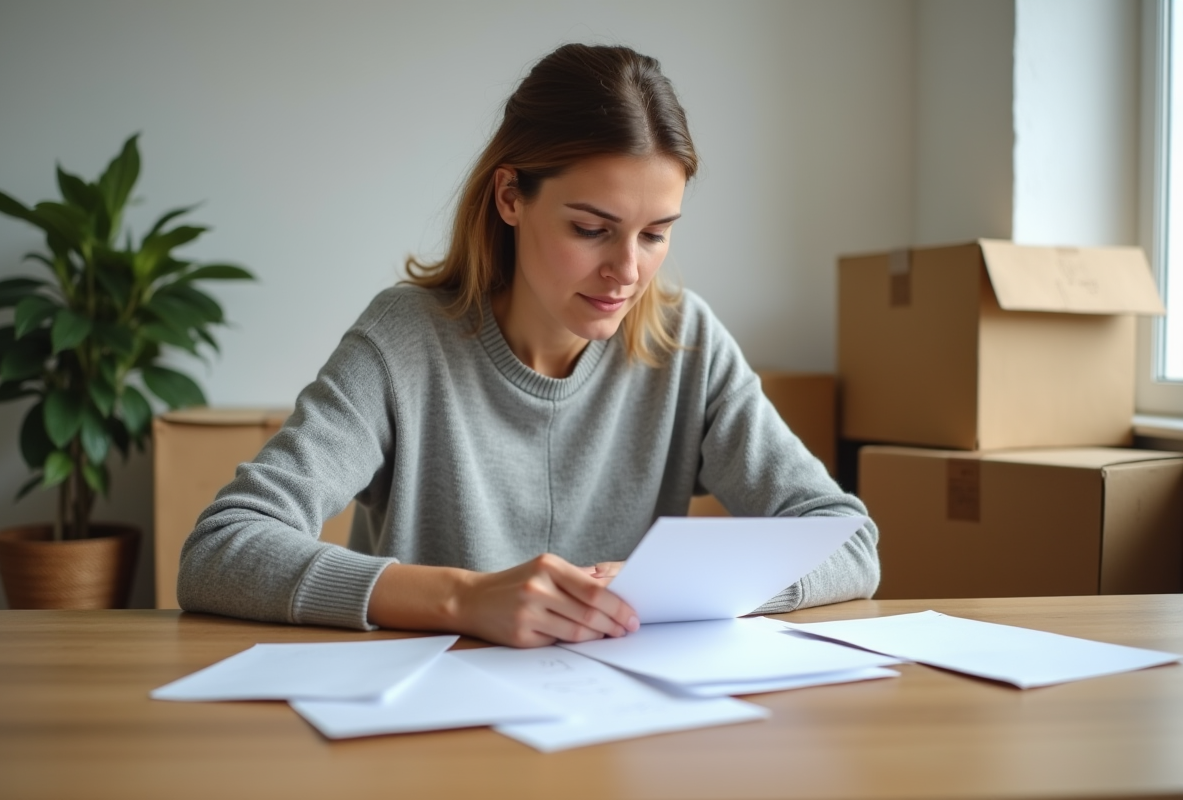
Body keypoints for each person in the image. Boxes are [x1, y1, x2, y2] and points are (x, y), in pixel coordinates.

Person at [177, 43, 879, 647]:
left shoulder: (686, 342)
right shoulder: (404, 341)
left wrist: (684, 588)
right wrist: (462, 599)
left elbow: (846, 537)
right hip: (432, 733)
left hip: (618, 733)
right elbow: (221, 549)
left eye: (655, 233)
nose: (628, 271)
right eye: (591, 228)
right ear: (511, 197)